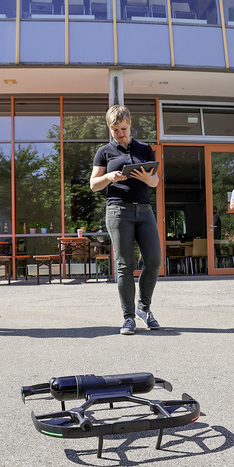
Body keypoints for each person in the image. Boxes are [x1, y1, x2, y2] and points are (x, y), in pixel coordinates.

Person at [90, 105, 162, 334]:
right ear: (109, 128)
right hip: (118, 211)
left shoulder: (145, 149)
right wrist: (109, 177)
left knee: (153, 261)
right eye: (115, 130)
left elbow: (155, 182)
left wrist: (146, 177)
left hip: (144, 210)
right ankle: (128, 317)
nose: (120, 133)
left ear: (130, 124)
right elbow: (93, 185)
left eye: (123, 128)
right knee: (124, 265)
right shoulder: (104, 152)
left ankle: (144, 308)